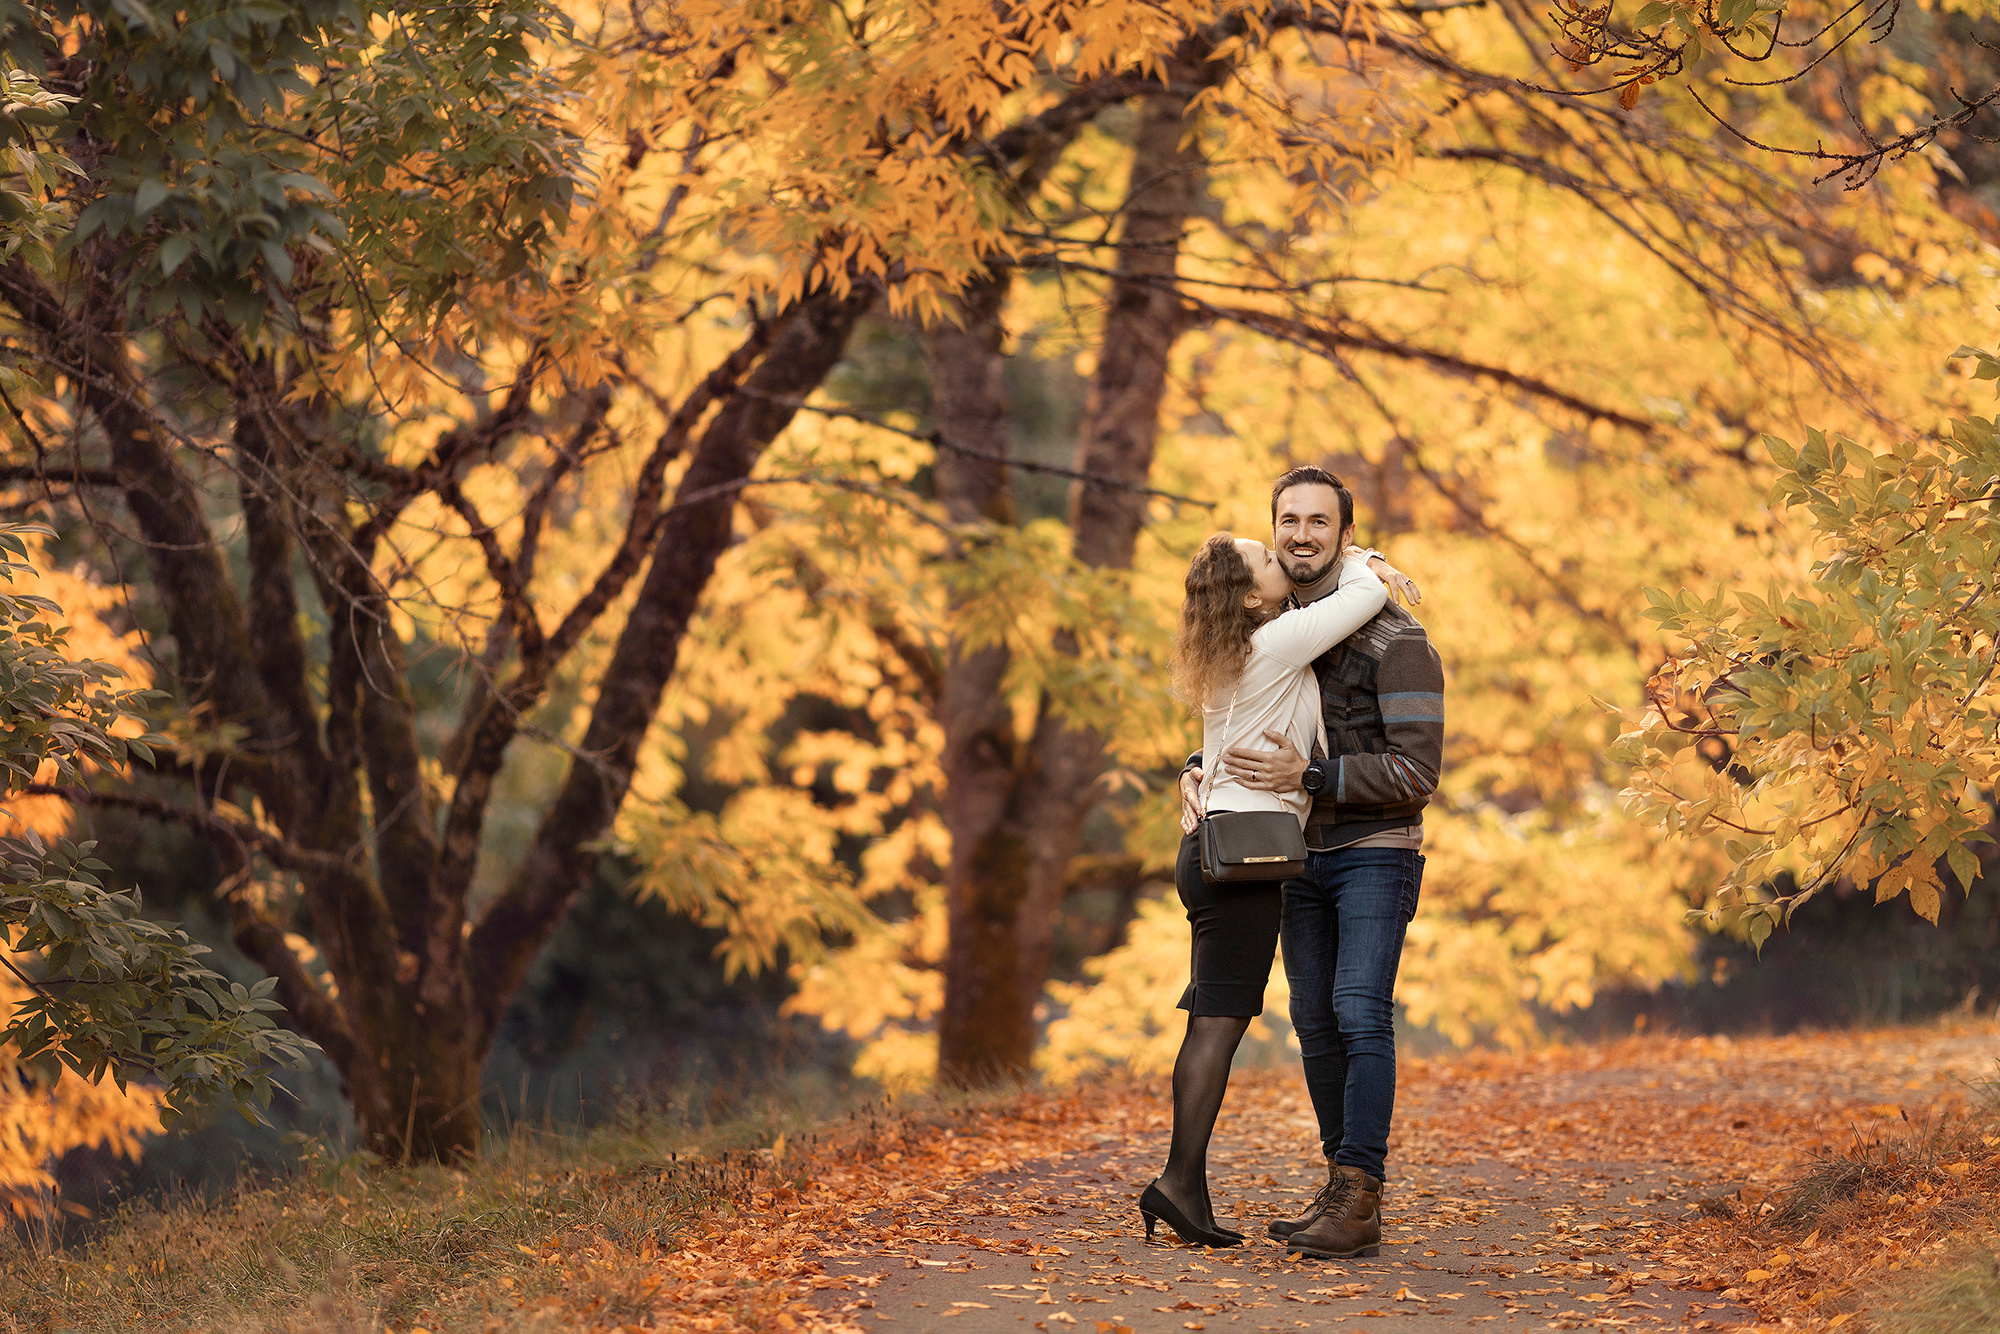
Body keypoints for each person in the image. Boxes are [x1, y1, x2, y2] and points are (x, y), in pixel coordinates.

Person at [1181, 466, 1443, 1260]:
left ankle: (1361, 1193)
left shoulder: (1399, 641)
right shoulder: (1278, 628)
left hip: (1372, 851)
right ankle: (1340, 1188)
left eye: (1317, 521)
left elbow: (1416, 774)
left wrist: (1315, 776)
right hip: (1290, 858)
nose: (1299, 534)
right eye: (1285, 521)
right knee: (1314, 1022)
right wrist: (1194, 770)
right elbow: (1247, 720)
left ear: (1343, 532)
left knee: (1361, 1010)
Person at [1141, 530, 1390, 1249]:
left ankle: (1182, 1184)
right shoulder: (1276, 644)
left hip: (1213, 853)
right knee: (1218, 1024)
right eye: (1272, 560)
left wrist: (1192, 770)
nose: (1286, 559)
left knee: (1209, 1021)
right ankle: (1178, 1183)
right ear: (1252, 596)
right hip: (1242, 861)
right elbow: (1367, 595)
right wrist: (1367, 557)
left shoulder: (1235, 655)